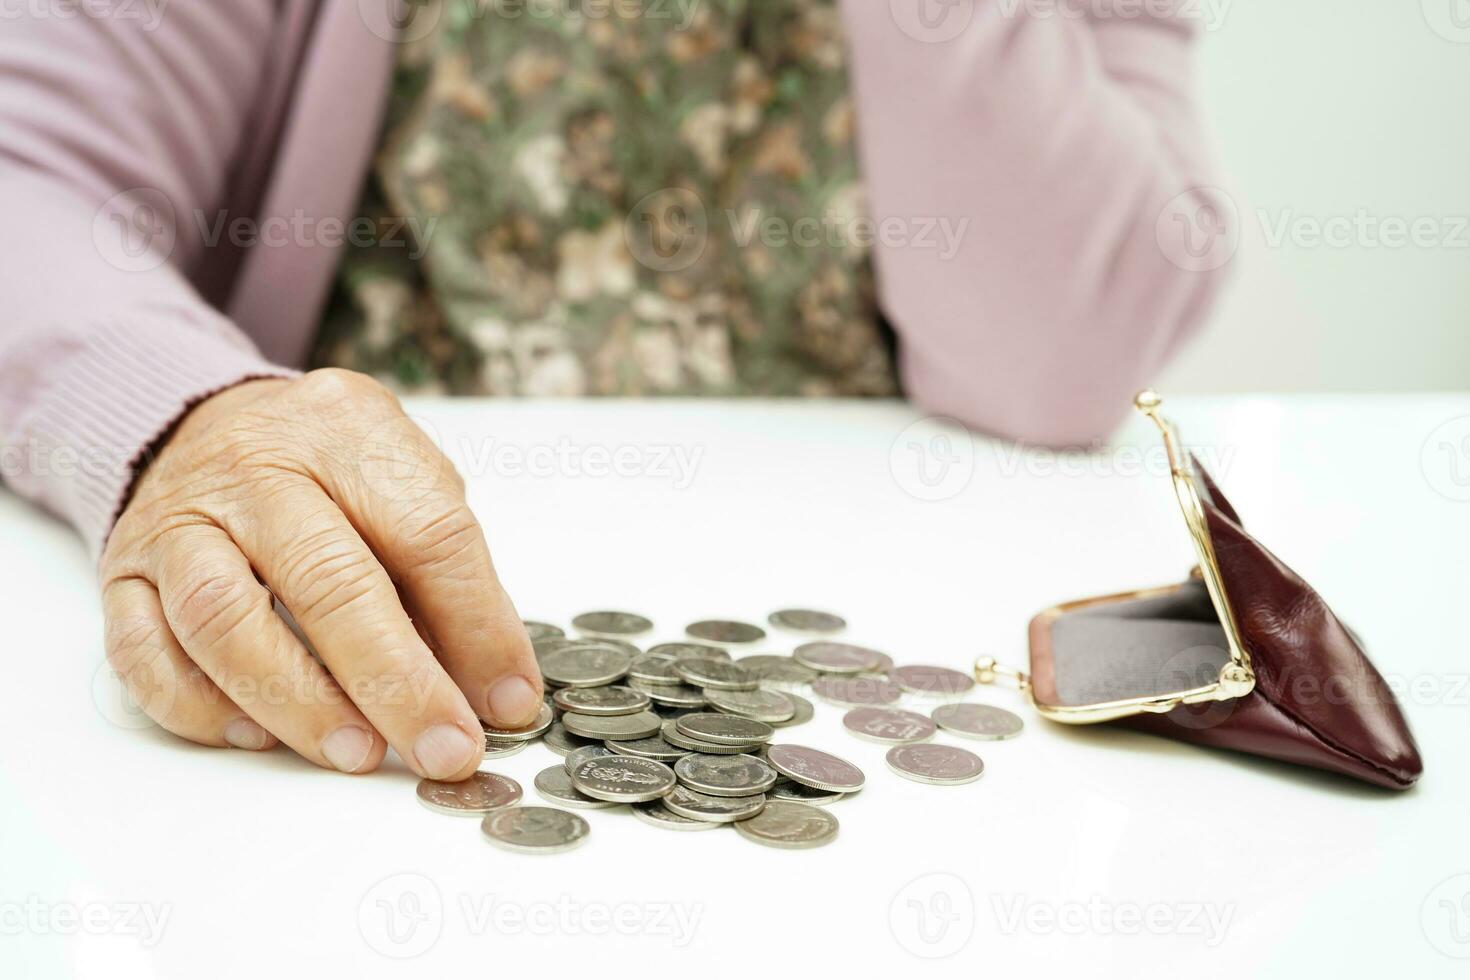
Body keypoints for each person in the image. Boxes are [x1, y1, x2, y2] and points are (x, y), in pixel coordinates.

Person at [0, 1, 1232, 781]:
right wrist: (183, 413)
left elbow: (1069, 342)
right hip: (386, 588)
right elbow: (27, 177)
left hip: (898, 560)